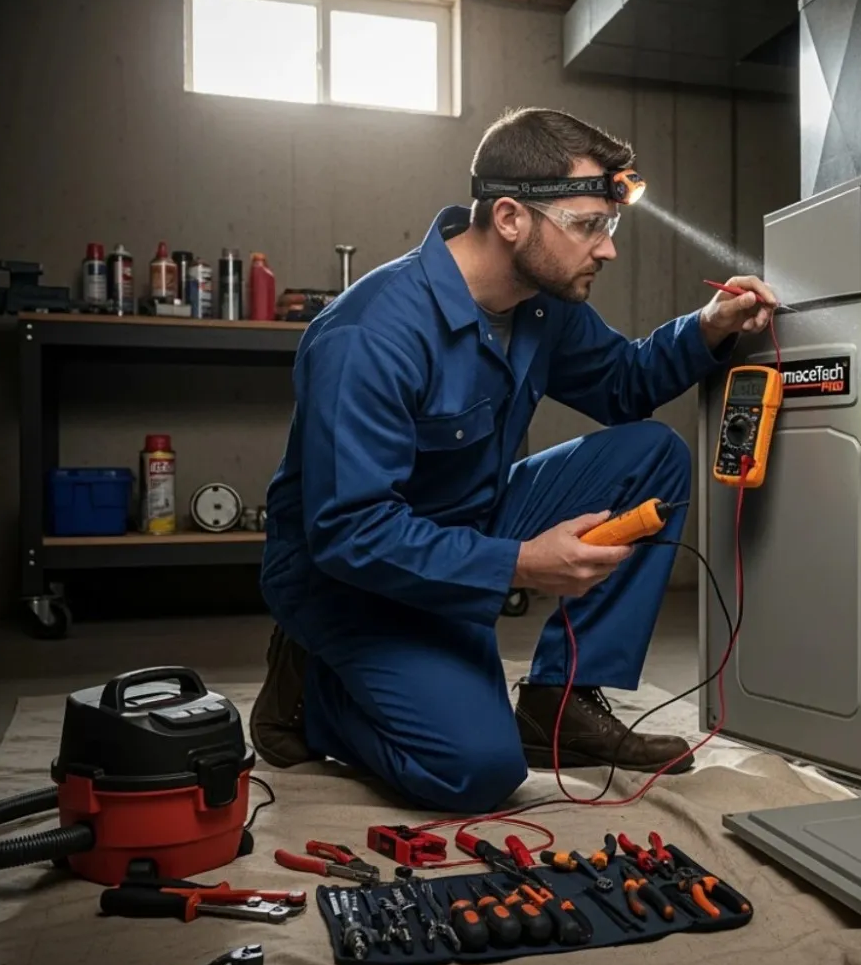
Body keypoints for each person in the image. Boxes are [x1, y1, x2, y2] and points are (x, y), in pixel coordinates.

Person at [250, 107, 777, 813]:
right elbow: (351, 532)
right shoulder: (369, 335)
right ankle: (312, 694)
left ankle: (560, 706)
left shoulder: (537, 304)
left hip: (470, 524)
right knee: (478, 771)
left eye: (609, 227)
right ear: (509, 218)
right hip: (348, 578)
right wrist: (521, 565)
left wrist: (709, 327)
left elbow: (624, 385)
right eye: (590, 225)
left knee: (651, 455)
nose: (607, 249)